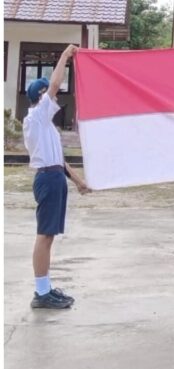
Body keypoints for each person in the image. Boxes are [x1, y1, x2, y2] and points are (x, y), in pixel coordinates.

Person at [23, 44, 91, 309]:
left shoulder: (45, 126)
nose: (54, 95)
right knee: (44, 235)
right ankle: (41, 293)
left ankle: (46, 288)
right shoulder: (37, 117)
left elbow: (58, 161)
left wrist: (78, 182)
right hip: (48, 180)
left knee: (49, 235)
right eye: (48, 93)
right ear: (41, 96)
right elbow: (54, 84)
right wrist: (65, 56)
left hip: (54, 177)